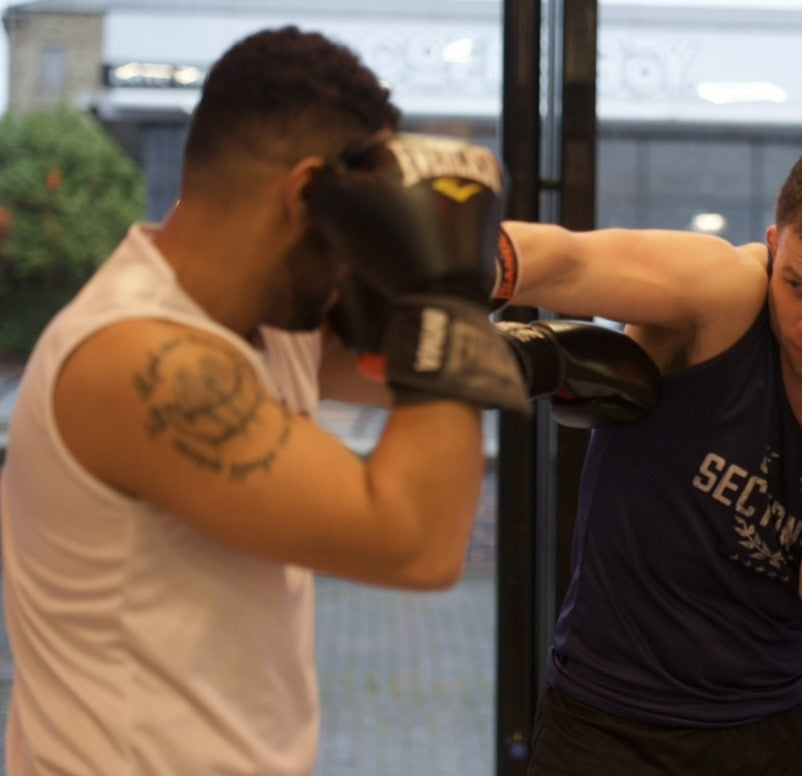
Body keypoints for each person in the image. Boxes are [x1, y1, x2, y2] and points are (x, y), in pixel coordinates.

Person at [0, 26, 537, 775]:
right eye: (353, 227)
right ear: (303, 197)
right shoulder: (137, 359)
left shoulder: (256, 320)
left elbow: (415, 371)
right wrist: (440, 288)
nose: (357, 257)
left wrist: (550, 336)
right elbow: (416, 541)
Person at [496, 136, 802, 774]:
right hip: (606, 727)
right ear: (773, 246)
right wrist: (463, 256)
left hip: (773, 736)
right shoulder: (725, 297)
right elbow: (571, 263)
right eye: (795, 285)